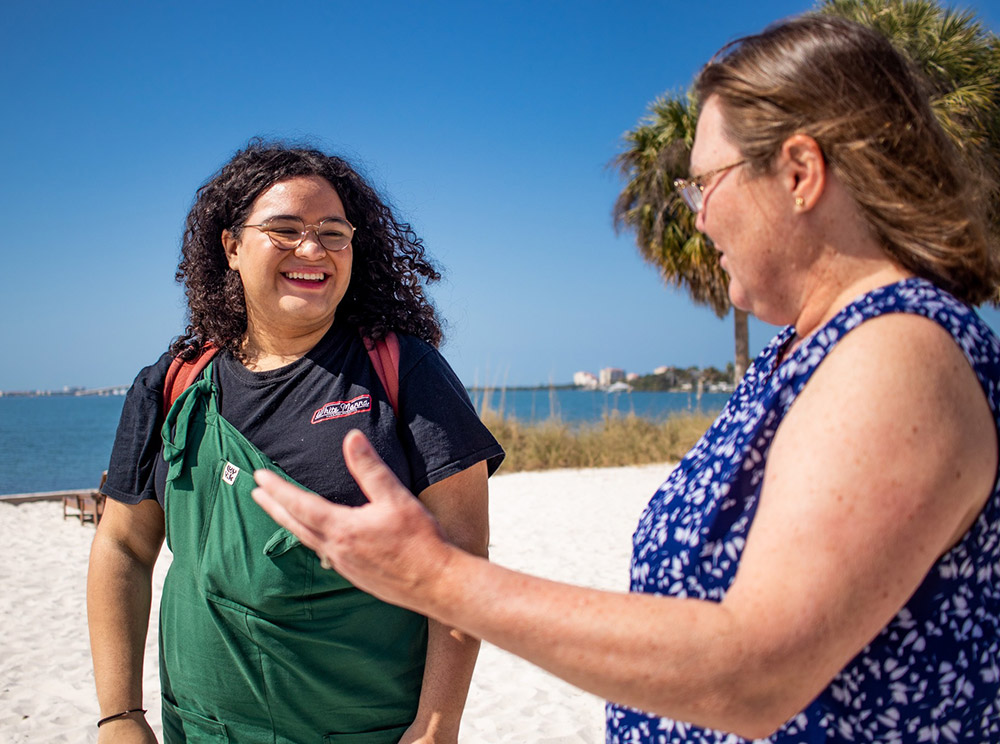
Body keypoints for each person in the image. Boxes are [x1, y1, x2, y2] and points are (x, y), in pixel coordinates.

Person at [251, 15, 1000, 743]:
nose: (699, 219)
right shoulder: (808, 348)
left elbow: (759, 671)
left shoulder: (897, 350)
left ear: (800, 173)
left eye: (706, 184)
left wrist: (437, 580)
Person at [87, 141, 504, 743]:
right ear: (231, 246)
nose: (313, 249)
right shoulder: (172, 385)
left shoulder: (402, 372)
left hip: (369, 731)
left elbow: (463, 557)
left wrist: (438, 724)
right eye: (284, 229)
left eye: (333, 233)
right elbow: (123, 547)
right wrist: (120, 715)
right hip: (201, 731)